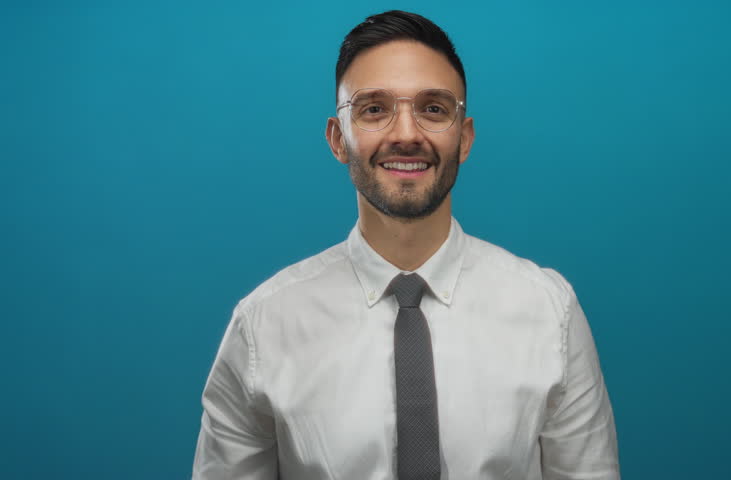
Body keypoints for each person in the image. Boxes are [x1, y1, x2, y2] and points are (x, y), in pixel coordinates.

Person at [192, 10, 619, 480]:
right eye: (374, 108)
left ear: (465, 138)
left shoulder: (548, 311)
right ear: (338, 138)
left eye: (433, 109)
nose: (406, 134)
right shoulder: (262, 327)